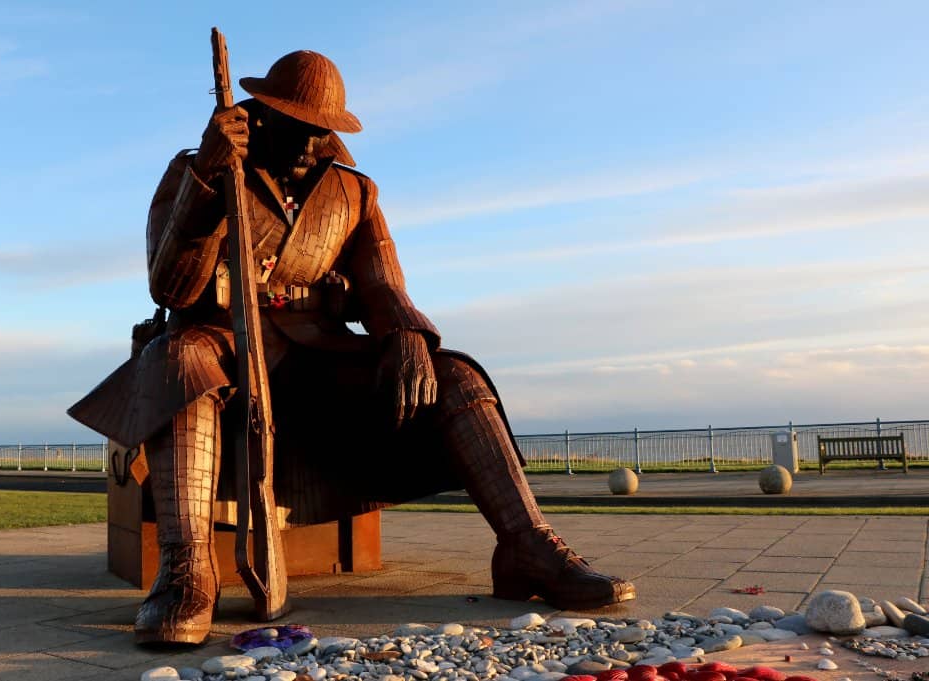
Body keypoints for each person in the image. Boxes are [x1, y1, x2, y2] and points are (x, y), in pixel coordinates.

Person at [69, 49, 635, 646]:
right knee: (179, 361)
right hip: (222, 344)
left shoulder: (353, 192)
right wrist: (206, 184)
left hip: (318, 355)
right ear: (261, 114)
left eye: (324, 132)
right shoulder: (198, 170)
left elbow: (384, 285)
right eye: (301, 128)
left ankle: (527, 547)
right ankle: (188, 570)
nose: (315, 144)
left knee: (458, 377)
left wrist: (409, 336)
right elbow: (170, 286)